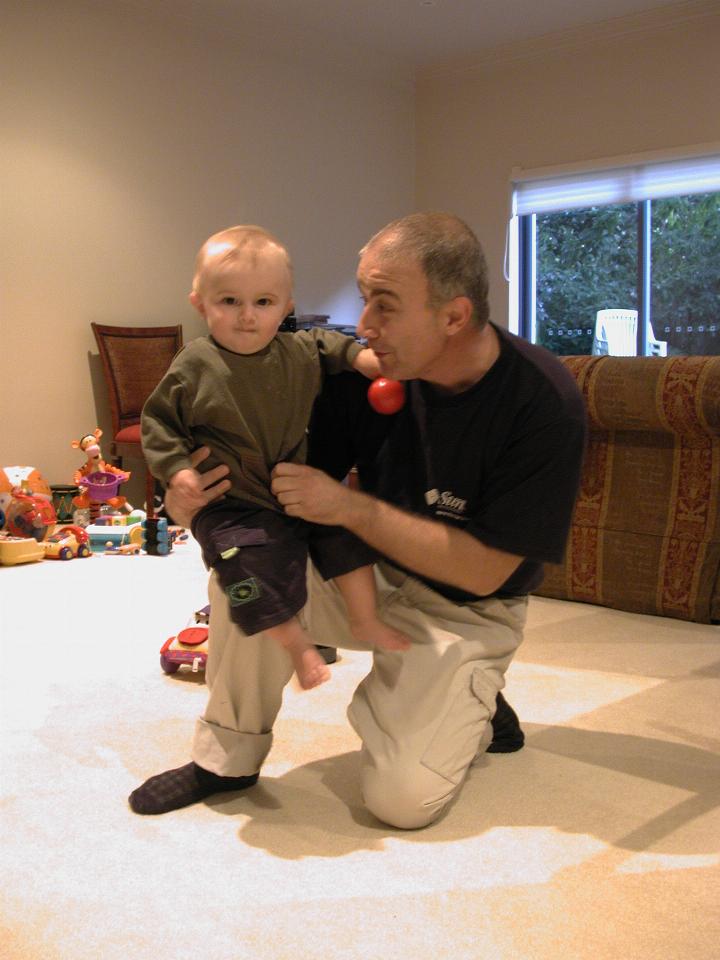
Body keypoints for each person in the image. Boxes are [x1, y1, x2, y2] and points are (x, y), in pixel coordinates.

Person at [130, 212, 586, 826]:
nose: (363, 323)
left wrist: (346, 505)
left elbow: (483, 573)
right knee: (245, 573)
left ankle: (470, 696)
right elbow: (277, 497)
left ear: (452, 316)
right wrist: (182, 500)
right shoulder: (361, 374)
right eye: (365, 297)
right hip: (364, 573)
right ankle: (226, 759)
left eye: (385, 305)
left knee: (401, 803)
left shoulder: (541, 400)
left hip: (467, 605)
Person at [141, 225, 410, 693]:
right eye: (229, 302)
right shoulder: (194, 364)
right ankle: (295, 645)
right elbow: (159, 422)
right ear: (200, 303)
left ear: (286, 306)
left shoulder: (299, 351)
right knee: (240, 574)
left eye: (263, 303)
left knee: (343, 535)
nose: (247, 317)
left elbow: (336, 346)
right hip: (231, 505)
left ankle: (364, 621)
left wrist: (368, 362)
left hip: (292, 495)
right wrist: (178, 471)